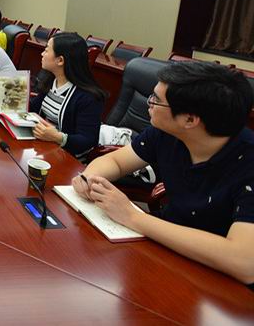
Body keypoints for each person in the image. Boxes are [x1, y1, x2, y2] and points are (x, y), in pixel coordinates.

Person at [72, 61, 254, 285]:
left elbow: (244, 262)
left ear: (190, 120)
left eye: (156, 99)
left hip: (216, 278)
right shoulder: (165, 132)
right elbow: (116, 161)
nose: (149, 102)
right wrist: (91, 178)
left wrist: (133, 217)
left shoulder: (247, 162)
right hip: (164, 246)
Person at [30, 32, 107, 158]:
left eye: (46, 50)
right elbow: (34, 108)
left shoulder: (88, 97)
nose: (42, 54)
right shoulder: (51, 79)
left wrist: (58, 137)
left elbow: (87, 140)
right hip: (46, 147)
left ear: (60, 60)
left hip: (69, 157)